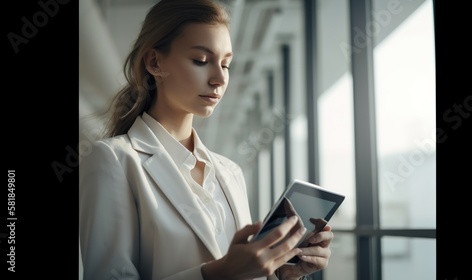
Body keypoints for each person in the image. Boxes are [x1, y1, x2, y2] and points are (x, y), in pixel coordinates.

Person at [79, 0, 334, 279]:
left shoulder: (230, 172)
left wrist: (281, 272)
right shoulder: (113, 160)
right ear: (154, 62)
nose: (219, 78)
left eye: (225, 64)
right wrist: (217, 273)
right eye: (201, 61)